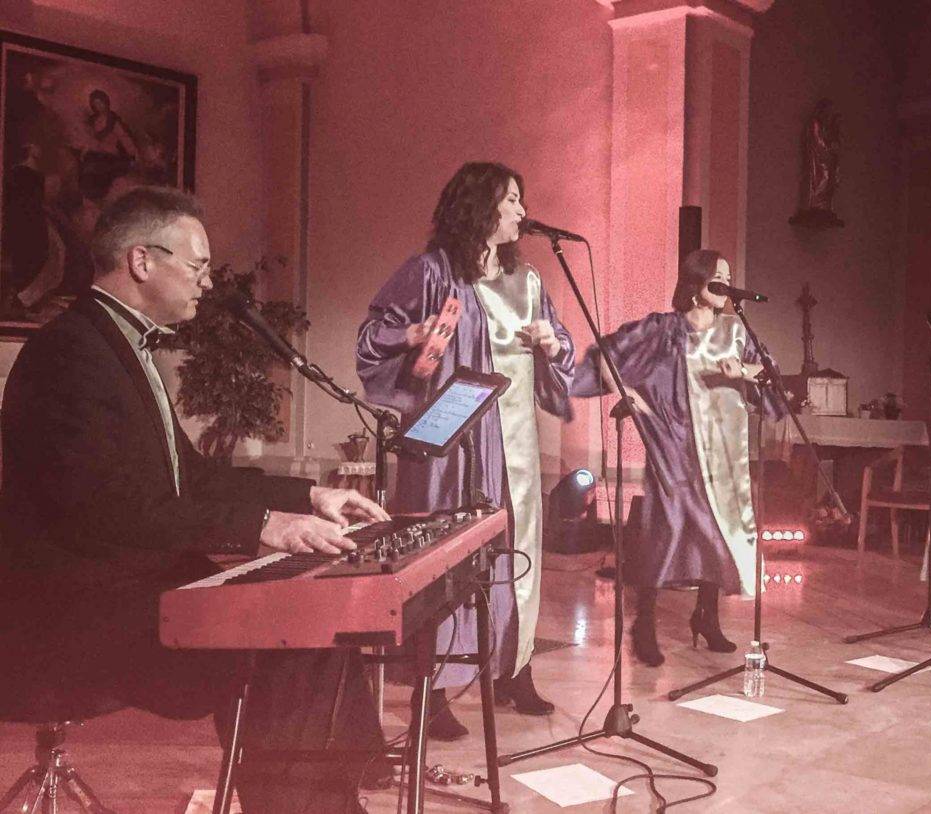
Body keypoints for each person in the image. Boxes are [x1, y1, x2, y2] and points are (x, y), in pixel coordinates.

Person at [0, 186, 391, 813]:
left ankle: (334, 796)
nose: (207, 282)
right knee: (286, 638)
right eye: (198, 265)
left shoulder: (114, 343)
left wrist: (310, 496)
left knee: (305, 624)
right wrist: (264, 524)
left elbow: (192, 475)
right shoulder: (70, 353)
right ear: (141, 261)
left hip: (123, 585)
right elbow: (107, 510)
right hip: (70, 615)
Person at [357, 161, 574, 739]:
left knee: (517, 552)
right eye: (511, 200)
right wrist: (410, 335)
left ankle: (515, 666)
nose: (522, 213)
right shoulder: (433, 273)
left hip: (518, 447)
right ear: (479, 208)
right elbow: (372, 335)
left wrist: (553, 343)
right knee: (450, 561)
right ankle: (437, 687)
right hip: (455, 445)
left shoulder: (528, 282)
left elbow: (565, 350)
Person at [571, 249, 784, 666]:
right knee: (665, 528)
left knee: (717, 530)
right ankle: (643, 622)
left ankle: (706, 616)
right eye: (717, 276)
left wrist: (743, 372)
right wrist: (627, 392)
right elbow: (609, 354)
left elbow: (770, 373)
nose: (724, 282)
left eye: (727, 275)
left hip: (721, 448)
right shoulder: (664, 329)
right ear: (696, 283)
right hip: (675, 443)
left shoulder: (737, 332)